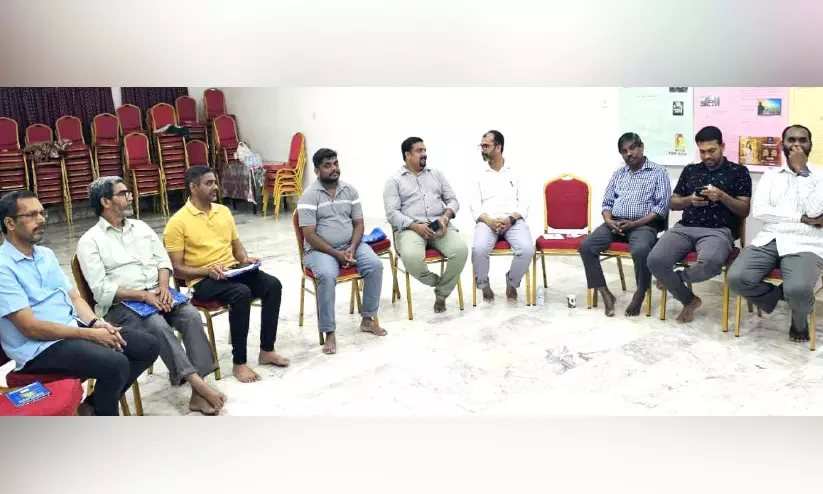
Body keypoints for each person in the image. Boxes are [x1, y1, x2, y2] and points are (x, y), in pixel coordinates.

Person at [0, 190, 159, 416]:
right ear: (10, 223)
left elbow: (74, 297)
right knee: (115, 363)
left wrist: (96, 323)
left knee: (147, 346)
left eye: (42, 213)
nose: (41, 219)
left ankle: (91, 407)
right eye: (32, 215)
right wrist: (90, 335)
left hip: (71, 331)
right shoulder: (3, 267)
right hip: (38, 349)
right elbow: (30, 328)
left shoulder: (45, 255)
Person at [76, 176, 227, 415]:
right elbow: (102, 291)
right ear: (105, 201)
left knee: (191, 316)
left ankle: (197, 394)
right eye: (123, 193)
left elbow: (163, 261)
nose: (130, 197)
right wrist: (144, 296)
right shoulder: (90, 242)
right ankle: (197, 383)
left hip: (159, 293)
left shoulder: (141, 228)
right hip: (123, 305)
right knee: (157, 325)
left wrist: (164, 287)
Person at [164, 166, 287, 383]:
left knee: (272, 285)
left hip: (231, 271)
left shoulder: (223, 212)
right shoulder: (177, 222)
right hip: (202, 280)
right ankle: (239, 363)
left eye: (215, 182)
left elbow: (237, 248)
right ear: (193, 187)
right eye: (209, 183)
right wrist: (207, 270)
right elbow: (177, 268)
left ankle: (267, 350)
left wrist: (245, 260)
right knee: (241, 293)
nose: (215, 187)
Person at [728, 124, 823, 343]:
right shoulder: (770, 176)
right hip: (770, 238)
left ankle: (799, 320)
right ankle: (783, 298)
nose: (797, 144)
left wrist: (802, 172)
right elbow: (761, 212)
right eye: (791, 140)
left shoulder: (820, 175)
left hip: (806, 242)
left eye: (803, 140)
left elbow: (815, 211)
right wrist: (801, 218)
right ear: (782, 145)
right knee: (736, 279)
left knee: (798, 289)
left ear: (810, 145)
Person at [647, 126, 752, 323]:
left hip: (718, 231)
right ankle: (689, 300)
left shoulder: (738, 172)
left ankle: (674, 279)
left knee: (710, 263)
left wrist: (722, 196)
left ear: (722, 146)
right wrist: (690, 200)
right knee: (654, 260)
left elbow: (744, 210)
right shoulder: (690, 170)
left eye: (712, 150)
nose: (707, 156)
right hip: (685, 227)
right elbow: (673, 202)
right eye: (702, 152)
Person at [297, 148, 387, 355]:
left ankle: (367, 319)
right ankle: (329, 331)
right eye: (327, 165)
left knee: (375, 265)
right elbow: (309, 235)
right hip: (319, 251)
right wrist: (336, 254)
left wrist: (352, 248)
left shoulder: (350, 191)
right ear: (317, 170)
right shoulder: (308, 196)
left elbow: (359, 224)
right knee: (327, 275)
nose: (334, 169)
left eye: (335, 163)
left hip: (350, 246)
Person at [578, 132, 672, 317]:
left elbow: (661, 207)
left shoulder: (658, 172)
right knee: (586, 246)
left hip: (643, 225)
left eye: (632, 148)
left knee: (641, 249)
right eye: (624, 151)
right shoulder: (618, 174)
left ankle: (640, 292)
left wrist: (634, 223)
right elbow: (607, 203)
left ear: (641, 147)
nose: (629, 153)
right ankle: (605, 293)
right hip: (615, 223)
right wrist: (608, 220)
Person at [383, 137, 469, 313]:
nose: (424, 154)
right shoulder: (394, 181)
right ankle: (439, 283)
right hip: (410, 229)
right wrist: (415, 226)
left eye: (424, 150)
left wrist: (445, 217)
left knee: (460, 251)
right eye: (419, 151)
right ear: (407, 155)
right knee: (412, 258)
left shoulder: (436, 174)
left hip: (439, 225)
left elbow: (453, 200)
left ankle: (442, 295)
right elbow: (392, 213)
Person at [469, 130, 533, 302]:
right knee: (479, 249)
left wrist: (511, 219)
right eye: (481, 145)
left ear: (498, 147)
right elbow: (474, 205)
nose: (482, 149)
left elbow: (525, 203)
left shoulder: (516, 171)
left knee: (527, 249)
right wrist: (489, 221)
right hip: (487, 221)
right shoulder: (478, 173)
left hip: (513, 221)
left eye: (486, 145)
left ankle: (512, 282)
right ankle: (483, 284)